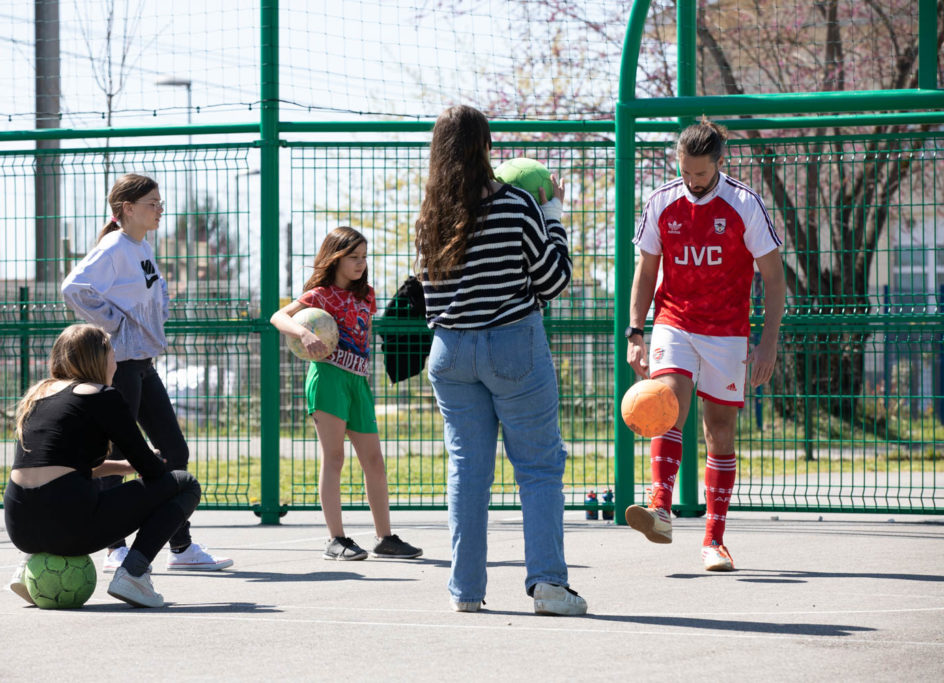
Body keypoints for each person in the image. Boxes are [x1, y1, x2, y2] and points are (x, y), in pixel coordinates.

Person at [414, 104, 587, 616]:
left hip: (449, 351)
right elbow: (553, 280)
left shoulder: (428, 216)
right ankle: (549, 587)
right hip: (513, 342)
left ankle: (465, 591)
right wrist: (553, 217)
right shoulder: (515, 204)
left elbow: (430, 294)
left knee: (467, 471)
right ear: (486, 147)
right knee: (537, 468)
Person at [624, 119, 786, 571]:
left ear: (719, 161)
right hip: (673, 320)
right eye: (685, 171)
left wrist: (768, 341)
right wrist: (635, 331)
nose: (691, 181)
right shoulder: (662, 202)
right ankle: (660, 509)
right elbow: (645, 271)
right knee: (667, 401)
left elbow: (775, 279)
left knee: (719, 430)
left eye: (699, 172)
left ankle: (714, 540)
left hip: (727, 331)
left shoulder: (743, 204)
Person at [61, 173, 232, 573]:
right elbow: (74, 288)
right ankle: (113, 547)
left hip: (143, 365)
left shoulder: (141, 246)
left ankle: (181, 546)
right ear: (127, 209)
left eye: (160, 202)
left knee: (175, 452)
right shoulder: (114, 247)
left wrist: (160, 313)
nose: (159, 209)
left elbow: (155, 290)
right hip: (119, 367)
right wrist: (113, 325)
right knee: (118, 457)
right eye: (152, 203)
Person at [4, 324, 202, 608]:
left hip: (20, 526)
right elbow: (153, 472)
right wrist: (151, 461)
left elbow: (62, 466)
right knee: (184, 484)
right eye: (111, 350)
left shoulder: (39, 394)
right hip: (70, 527)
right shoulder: (101, 395)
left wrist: (123, 467)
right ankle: (134, 575)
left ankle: (25, 570)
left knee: (62, 491)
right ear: (100, 357)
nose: (116, 359)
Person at [270, 226, 423, 561]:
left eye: (364, 257)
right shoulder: (319, 295)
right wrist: (302, 333)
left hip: (358, 382)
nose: (360, 263)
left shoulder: (367, 294)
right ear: (335, 258)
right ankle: (336, 539)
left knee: (374, 462)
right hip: (327, 379)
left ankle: (385, 538)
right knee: (334, 457)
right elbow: (278, 316)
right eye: (353, 257)